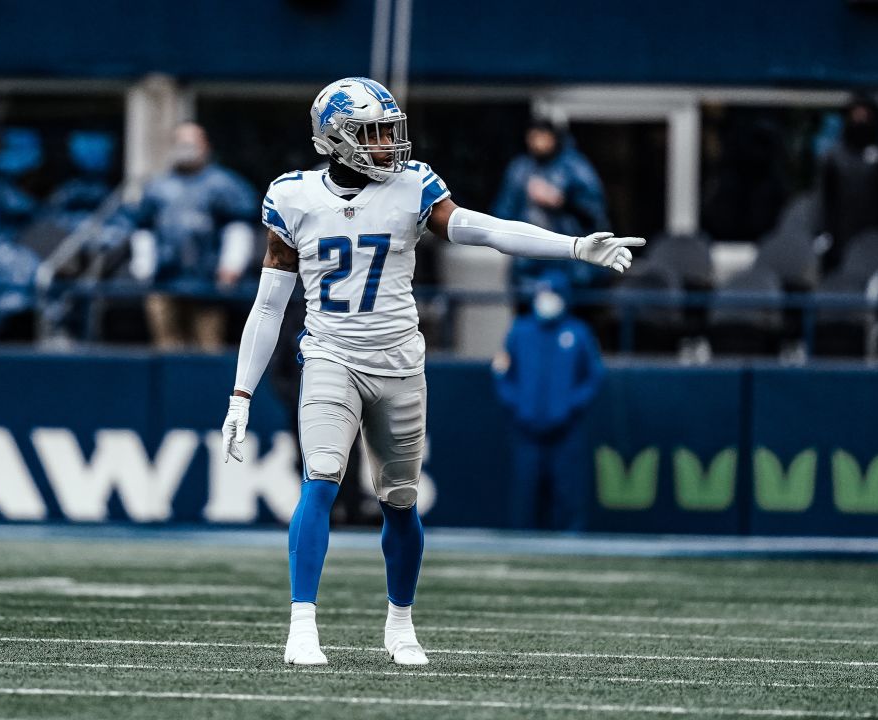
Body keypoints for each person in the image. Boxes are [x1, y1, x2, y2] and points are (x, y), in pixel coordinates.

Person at [219, 77, 643, 666]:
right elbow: (267, 306)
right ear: (334, 140)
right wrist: (241, 394)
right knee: (319, 480)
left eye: (391, 131)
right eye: (373, 133)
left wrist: (571, 247)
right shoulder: (293, 198)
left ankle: (400, 624)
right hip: (329, 355)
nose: (389, 144)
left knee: (399, 501)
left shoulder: (413, 186)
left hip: (398, 363)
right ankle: (302, 625)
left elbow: (487, 230)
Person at [492, 270, 606, 531]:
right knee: (526, 494)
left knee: (568, 493)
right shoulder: (519, 332)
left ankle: (571, 546)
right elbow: (501, 373)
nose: (546, 300)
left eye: (552, 294)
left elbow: (593, 376)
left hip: (566, 431)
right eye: (542, 294)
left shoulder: (578, 333)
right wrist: (518, 406)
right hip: (526, 430)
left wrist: (570, 407)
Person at [129, 122, 257, 350]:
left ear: (205, 145)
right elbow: (143, 227)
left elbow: (238, 226)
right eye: (181, 142)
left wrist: (232, 264)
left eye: (192, 142)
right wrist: (144, 265)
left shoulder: (223, 184)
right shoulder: (157, 186)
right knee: (166, 348)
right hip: (164, 281)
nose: (186, 147)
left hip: (207, 284)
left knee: (207, 347)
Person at [492, 119, 611, 296]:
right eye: (533, 137)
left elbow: (595, 215)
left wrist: (561, 202)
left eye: (543, 137)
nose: (538, 143)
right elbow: (502, 215)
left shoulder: (574, 167)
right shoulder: (520, 169)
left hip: (572, 267)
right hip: (528, 267)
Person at [816, 93, 878, 272]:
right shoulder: (833, 157)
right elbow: (823, 202)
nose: (861, 118)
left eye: (865, 113)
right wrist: (824, 235)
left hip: (877, 243)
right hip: (840, 244)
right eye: (856, 113)